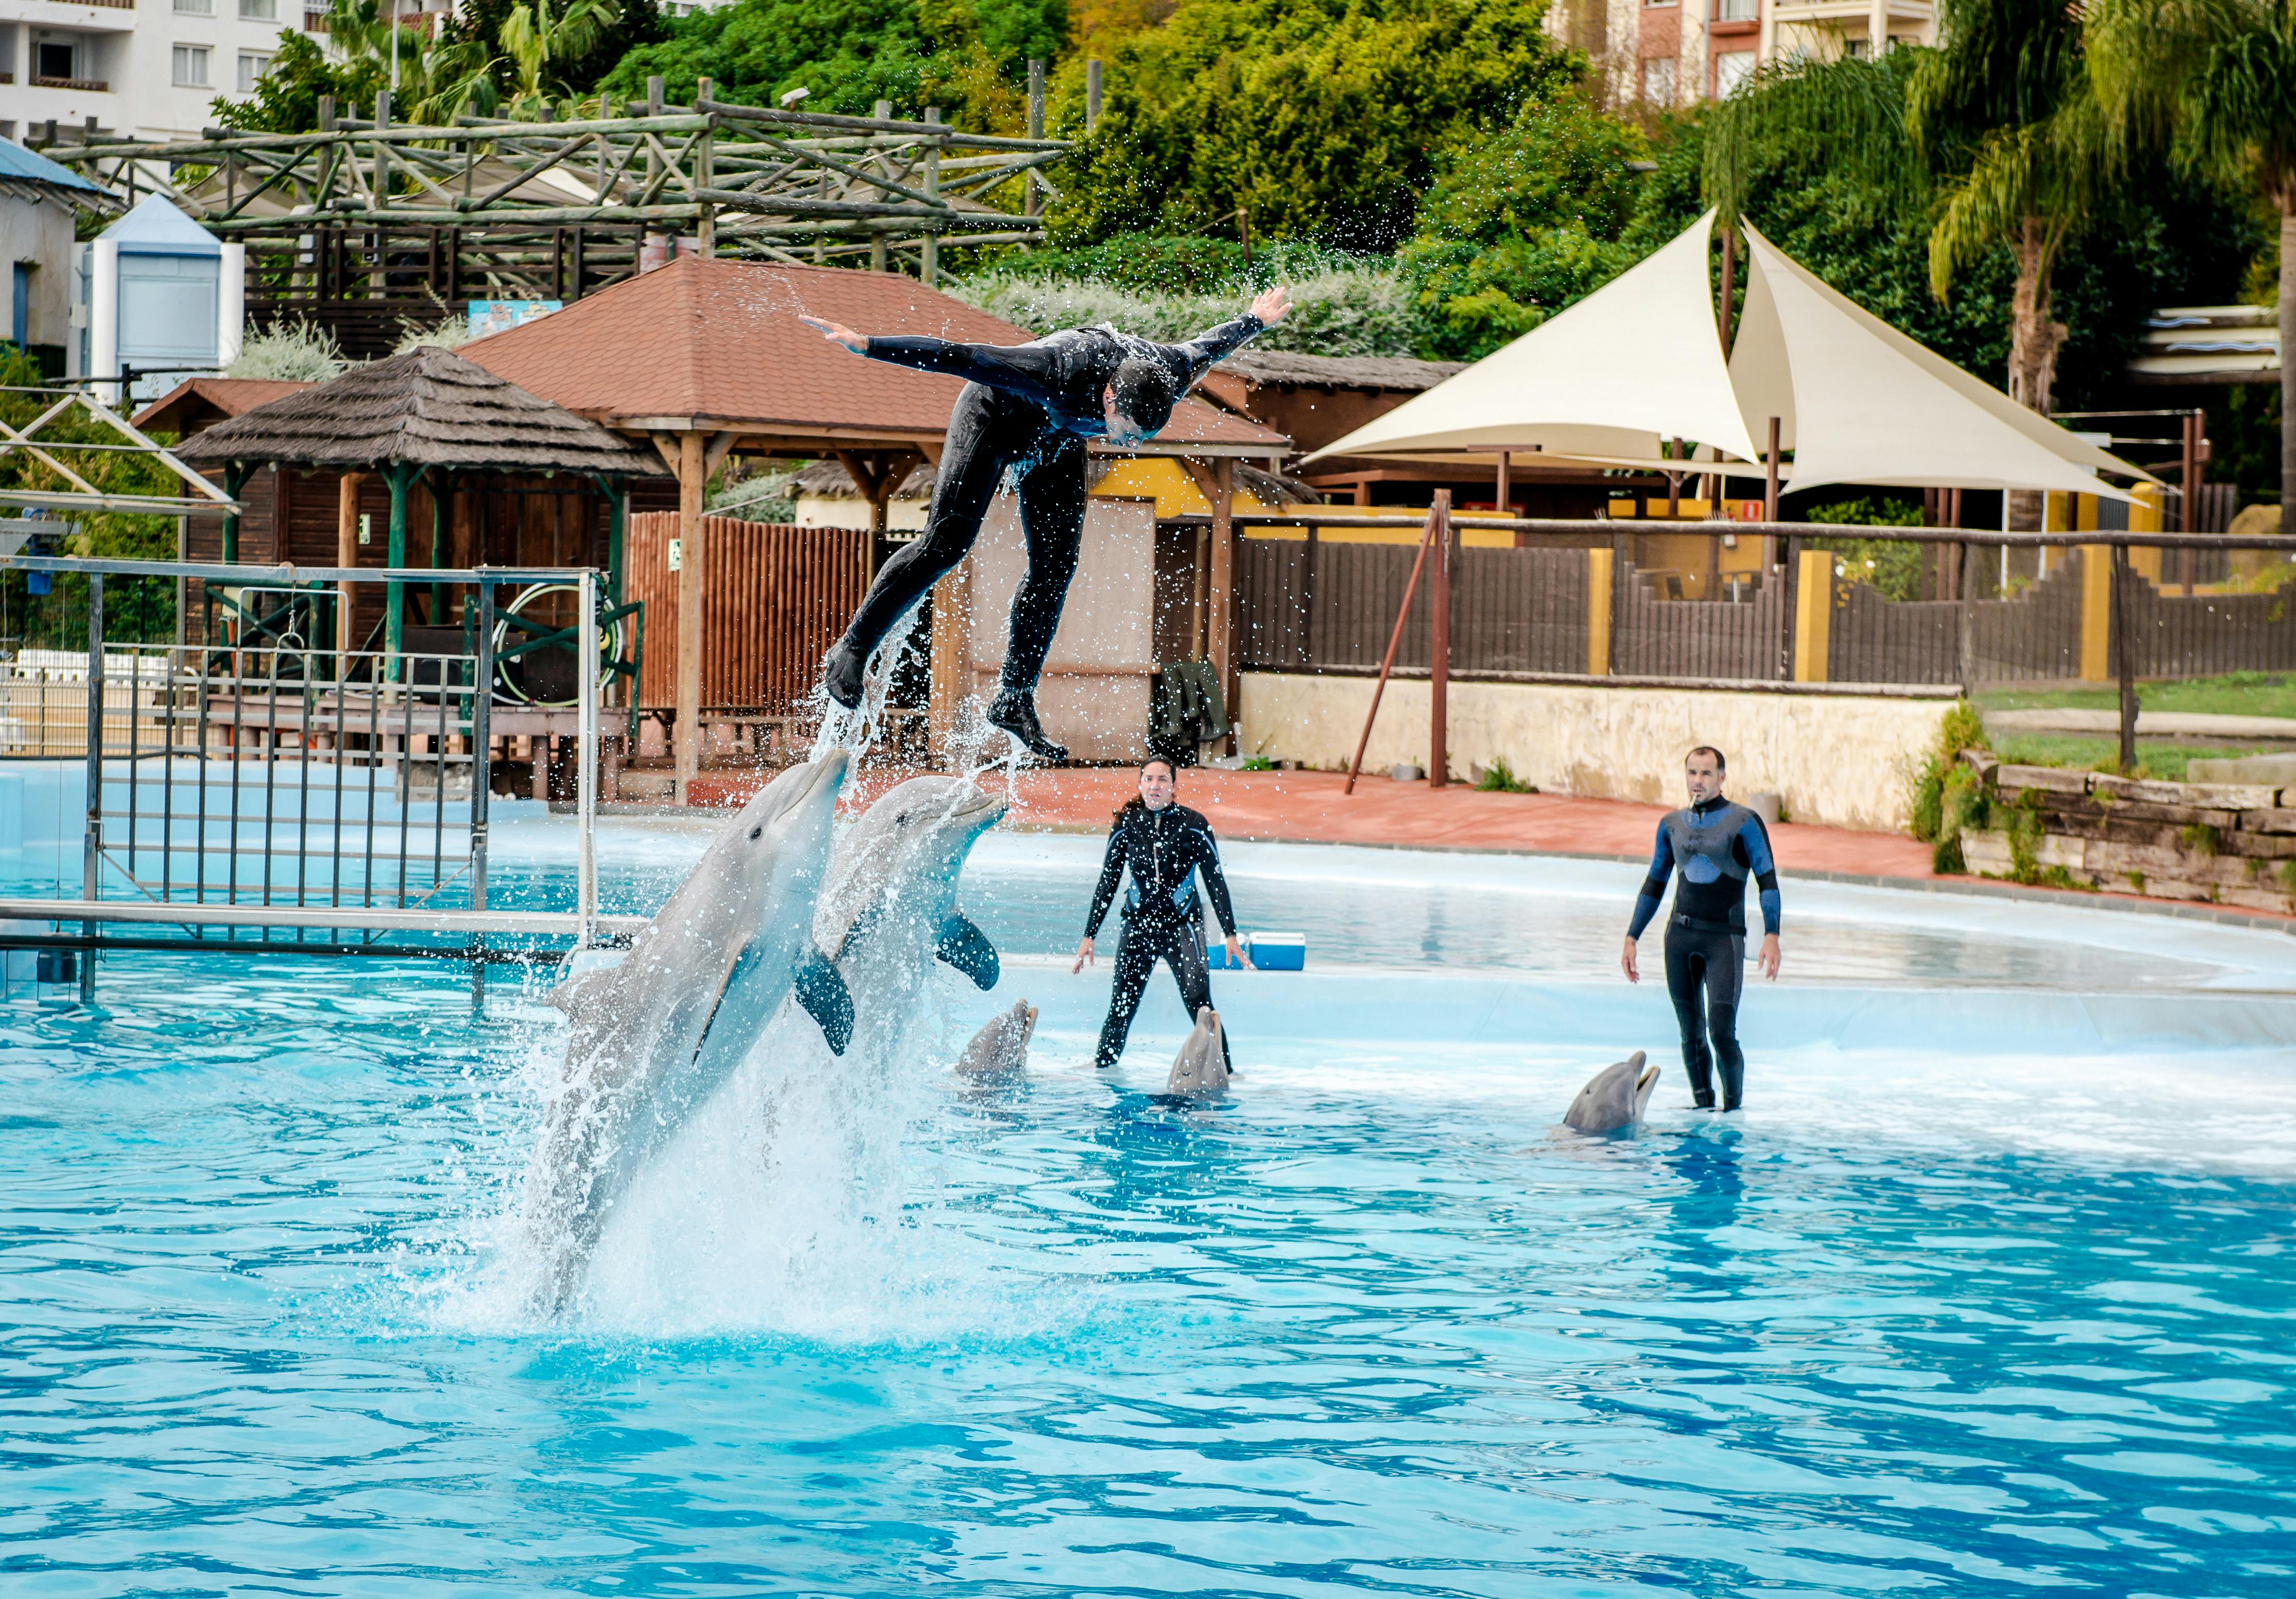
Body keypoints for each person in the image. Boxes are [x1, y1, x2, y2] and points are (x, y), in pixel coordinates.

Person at [798, 285, 1291, 761]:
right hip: (994, 419)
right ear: (1109, 397)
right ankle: (852, 650)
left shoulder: (1169, 371)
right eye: (1126, 433)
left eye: (1141, 438)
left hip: (1055, 441)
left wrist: (1255, 320)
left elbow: (1210, 344)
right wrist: (869, 345)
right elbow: (962, 356)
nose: (1130, 445)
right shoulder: (1057, 367)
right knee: (946, 544)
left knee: (1056, 568)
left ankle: (1014, 697)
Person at [1620, 746, 1782, 1112]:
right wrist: (1632, 937)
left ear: (1722, 778)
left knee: (1721, 1032)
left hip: (1723, 939)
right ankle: (1703, 1108)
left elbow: (1767, 880)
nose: (1698, 780)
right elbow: (1655, 883)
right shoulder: (1671, 825)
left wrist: (1772, 934)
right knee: (1690, 1033)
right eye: (1692, 772)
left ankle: (1733, 1111)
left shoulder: (1744, 822)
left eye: (1706, 773)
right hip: (1679, 937)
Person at [1073, 757, 1245, 1071]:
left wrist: (1230, 933)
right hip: (1138, 927)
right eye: (1149, 779)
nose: (1155, 786)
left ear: (1173, 786)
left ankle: (1227, 1071)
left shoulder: (1194, 824)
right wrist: (1090, 935)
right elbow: (1108, 881)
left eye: (1163, 780)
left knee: (1199, 1002)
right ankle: (1103, 1067)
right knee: (1122, 1005)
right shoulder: (1127, 824)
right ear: (1140, 784)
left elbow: (1215, 881)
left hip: (1183, 927)